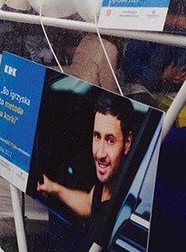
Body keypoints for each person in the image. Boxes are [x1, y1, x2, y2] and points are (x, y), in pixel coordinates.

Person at [37, 94, 134, 227]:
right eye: (97, 136)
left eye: (110, 140)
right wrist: (53, 188)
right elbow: (89, 204)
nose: (100, 154)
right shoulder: (108, 179)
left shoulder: (127, 201)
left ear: (127, 143)